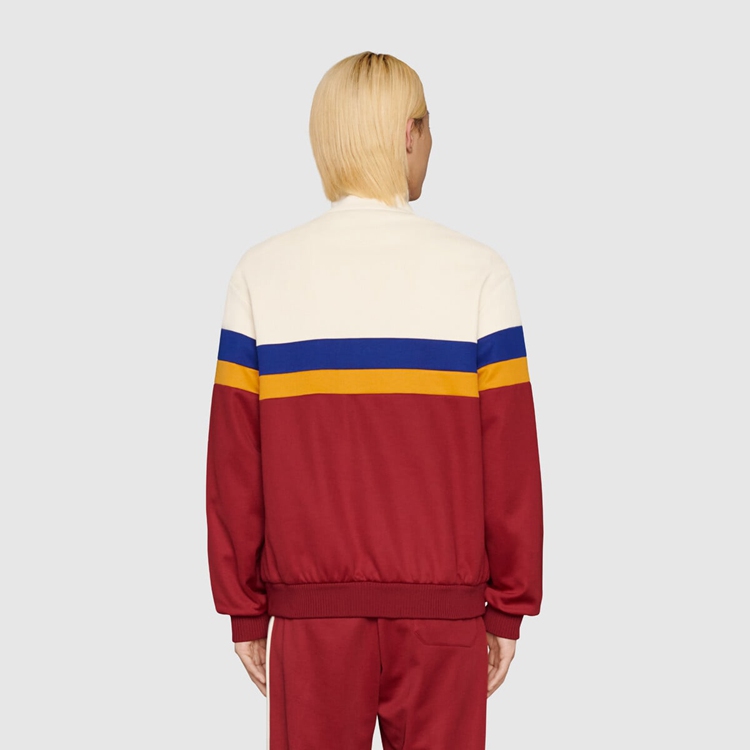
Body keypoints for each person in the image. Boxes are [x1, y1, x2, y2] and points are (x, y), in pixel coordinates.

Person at [205, 50, 544, 750]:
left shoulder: (260, 273)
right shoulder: (480, 272)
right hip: (444, 622)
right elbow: (510, 459)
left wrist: (245, 609)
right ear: (410, 133)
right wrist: (508, 607)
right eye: (431, 127)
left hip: (311, 624)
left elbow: (234, 463)